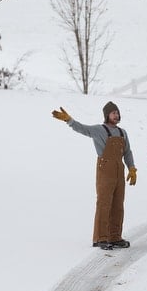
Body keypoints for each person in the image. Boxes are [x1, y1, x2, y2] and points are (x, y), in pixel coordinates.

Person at [52, 101, 137, 250]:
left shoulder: (123, 132)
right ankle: (101, 238)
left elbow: (127, 152)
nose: (116, 115)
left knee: (118, 204)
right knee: (104, 204)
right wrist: (68, 120)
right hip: (105, 170)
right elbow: (82, 128)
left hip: (119, 170)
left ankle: (115, 237)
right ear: (107, 115)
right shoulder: (99, 130)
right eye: (113, 113)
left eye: (117, 113)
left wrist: (132, 168)